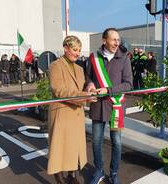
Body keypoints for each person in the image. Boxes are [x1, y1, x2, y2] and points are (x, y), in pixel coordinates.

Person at [86, 28, 133, 184]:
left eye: (118, 40)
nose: (116, 43)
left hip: (115, 107)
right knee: (96, 141)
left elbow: (128, 85)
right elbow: (88, 77)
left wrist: (109, 90)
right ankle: (99, 170)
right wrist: (90, 85)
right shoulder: (94, 57)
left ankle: (113, 173)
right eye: (113, 40)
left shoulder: (124, 57)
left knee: (117, 142)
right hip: (98, 106)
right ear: (104, 40)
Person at [47, 35, 95, 184]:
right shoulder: (55, 66)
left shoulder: (80, 68)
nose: (77, 53)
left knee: (73, 148)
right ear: (65, 48)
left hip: (76, 114)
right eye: (74, 50)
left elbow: (86, 83)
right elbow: (60, 91)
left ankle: (72, 176)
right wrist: (85, 96)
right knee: (59, 150)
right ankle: (59, 179)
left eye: (79, 50)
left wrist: (90, 86)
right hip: (61, 113)